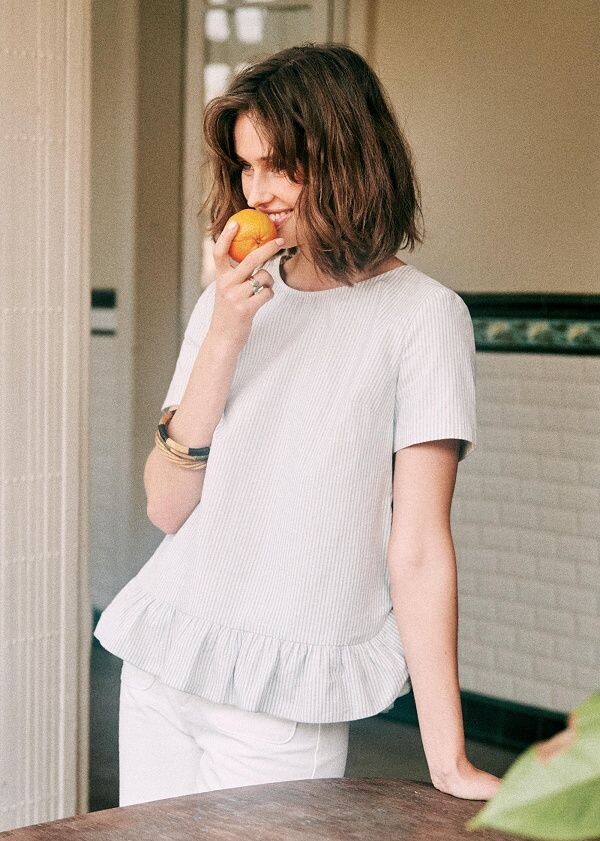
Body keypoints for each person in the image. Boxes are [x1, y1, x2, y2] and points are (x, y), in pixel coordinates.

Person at [94, 43, 501, 806]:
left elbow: (418, 547)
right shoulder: (230, 300)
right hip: (164, 665)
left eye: (282, 165)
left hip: (284, 700)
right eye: (247, 167)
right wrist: (225, 333)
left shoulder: (425, 316)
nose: (260, 191)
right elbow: (166, 506)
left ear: (347, 157)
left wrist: (446, 759)